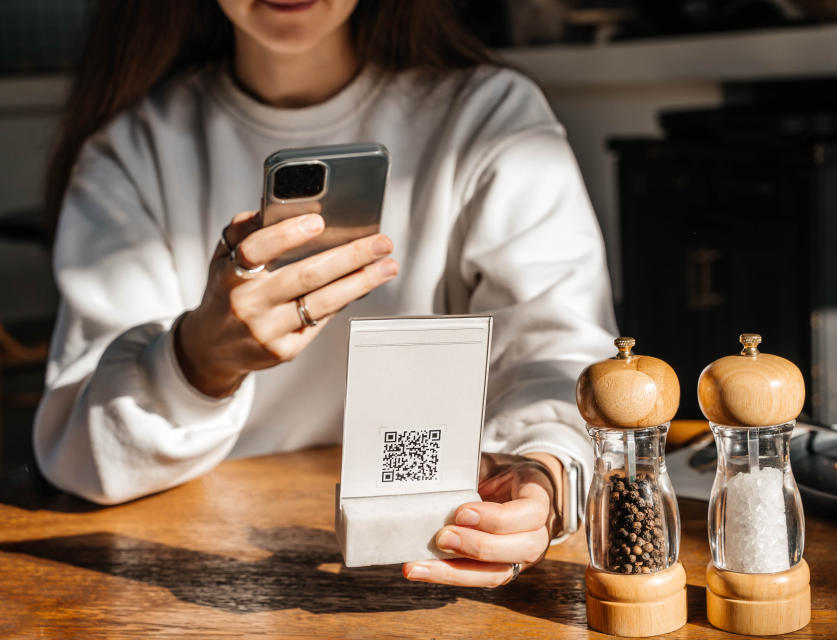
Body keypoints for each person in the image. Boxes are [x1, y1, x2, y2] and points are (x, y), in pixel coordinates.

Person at [34, 0, 616, 588]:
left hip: (434, 554)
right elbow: (79, 456)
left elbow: (557, 351)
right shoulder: (132, 151)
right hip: (198, 575)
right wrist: (196, 361)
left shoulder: (489, 116)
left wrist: (544, 471)